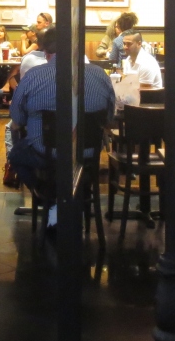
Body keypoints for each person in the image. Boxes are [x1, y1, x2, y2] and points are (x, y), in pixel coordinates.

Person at [7, 27, 117, 209]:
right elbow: (109, 118)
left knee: (16, 155)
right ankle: (78, 193)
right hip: (87, 153)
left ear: (45, 51)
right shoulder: (99, 74)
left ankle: (47, 196)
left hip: (46, 154)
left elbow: (17, 119)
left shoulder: (34, 75)